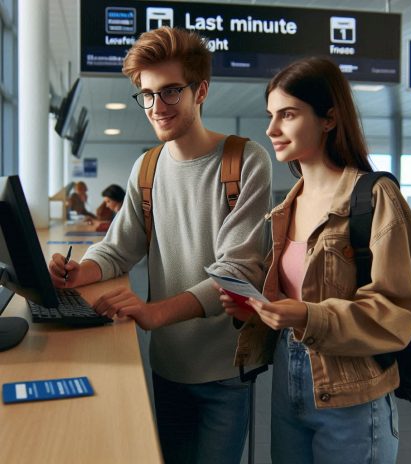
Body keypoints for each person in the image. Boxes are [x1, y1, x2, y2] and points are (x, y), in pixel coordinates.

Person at [48, 26, 271, 464]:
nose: (156, 107)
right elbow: (118, 248)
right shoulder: (146, 168)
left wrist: (155, 312)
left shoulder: (245, 161)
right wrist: (82, 271)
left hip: (225, 370)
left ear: (200, 90)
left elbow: (238, 272)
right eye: (146, 95)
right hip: (167, 365)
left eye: (170, 92)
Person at [218, 57, 411, 464]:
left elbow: (397, 314)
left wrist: (307, 317)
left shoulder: (376, 199)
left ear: (329, 118)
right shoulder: (284, 208)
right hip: (287, 386)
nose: (271, 129)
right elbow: (295, 296)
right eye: (270, 116)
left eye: (288, 115)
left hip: (351, 396)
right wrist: (255, 307)